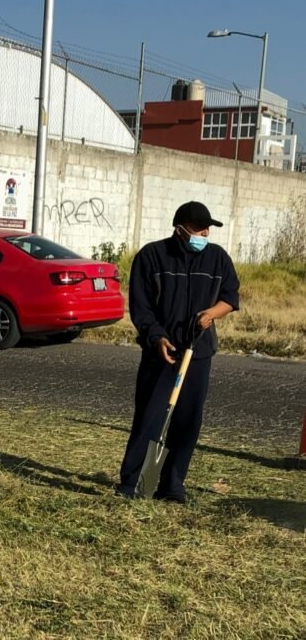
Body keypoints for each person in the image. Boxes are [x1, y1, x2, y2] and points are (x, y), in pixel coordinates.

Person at [116, 201, 239, 502]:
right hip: (162, 352)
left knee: (187, 422)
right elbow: (141, 308)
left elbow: (230, 298)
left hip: (198, 353)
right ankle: (133, 484)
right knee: (150, 418)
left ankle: (171, 486)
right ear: (180, 229)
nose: (205, 233)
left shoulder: (217, 259)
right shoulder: (152, 257)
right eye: (199, 229)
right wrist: (156, 337)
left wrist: (212, 313)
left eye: (208, 229)